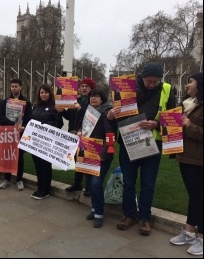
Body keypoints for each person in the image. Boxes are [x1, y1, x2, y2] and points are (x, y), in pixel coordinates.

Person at [107, 62, 176, 236]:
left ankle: (145, 218)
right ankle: (129, 215)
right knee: (128, 182)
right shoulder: (126, 88)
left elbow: (174, 116)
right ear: (142, 77)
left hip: (153, 143)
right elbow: (116, 116)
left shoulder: (167, 89)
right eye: (148, 81)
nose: (152, 84)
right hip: (129, 141)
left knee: (148, 183)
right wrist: (111, 114)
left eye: (155, 82)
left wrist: (156, 123)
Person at [170, 72, 203, 256]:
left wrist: (189, 125)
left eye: (190, 82)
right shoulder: (189, 104)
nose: (187, 85)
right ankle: (189, 232)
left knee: (200, 198)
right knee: (194, 196)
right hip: (185, 157)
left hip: (198, 160)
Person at [76, 87, 117, 228]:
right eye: (92, 96)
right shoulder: (89, 112)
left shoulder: (107, 114)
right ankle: (94, 209)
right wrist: (80, 131)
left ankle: (99, 213)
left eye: (97, 96)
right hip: (88, 152)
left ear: (102, 98)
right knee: (90, 183)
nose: (93, 98)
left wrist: (103, 155)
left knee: (96, 184)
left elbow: (111, 135)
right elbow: (83, 127)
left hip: (101, 155)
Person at [56, 77, 96, 197]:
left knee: (86, 161)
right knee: (76, 160)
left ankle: (89, 187)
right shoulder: (75, 100)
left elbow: (92, 117)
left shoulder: (93, 101)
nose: (84, 88)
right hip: (73, 134)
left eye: (87, 86)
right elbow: (70, 116)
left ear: (91, 89)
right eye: (82, 86)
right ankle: (77, 183)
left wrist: (80, 108)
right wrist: (62, 111)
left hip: (87, 135)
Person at [0, 78, 33, 190]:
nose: (14, 88)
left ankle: (19, 179)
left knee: (19, 157)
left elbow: (29, 118)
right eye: (12, 86)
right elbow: (0, 117)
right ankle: (7, 179)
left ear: (20, 87)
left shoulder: (26, 102)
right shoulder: (5, 102)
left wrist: (23, 127)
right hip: (8, 134)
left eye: (16, 86)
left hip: (20, 133)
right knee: (8, 156)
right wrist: (13, 124)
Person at [31, 83, 63, 199]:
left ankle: (46, 190)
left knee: (45, 166)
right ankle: (39, 188)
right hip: (34, 141)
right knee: (37, 165)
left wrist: (43, 126)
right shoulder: (36, 106)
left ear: (50, 93)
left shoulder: (55, 107)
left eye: (46, 92)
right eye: (42, 92)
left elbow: (59, 124)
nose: (44, 94)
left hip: (47, 141)